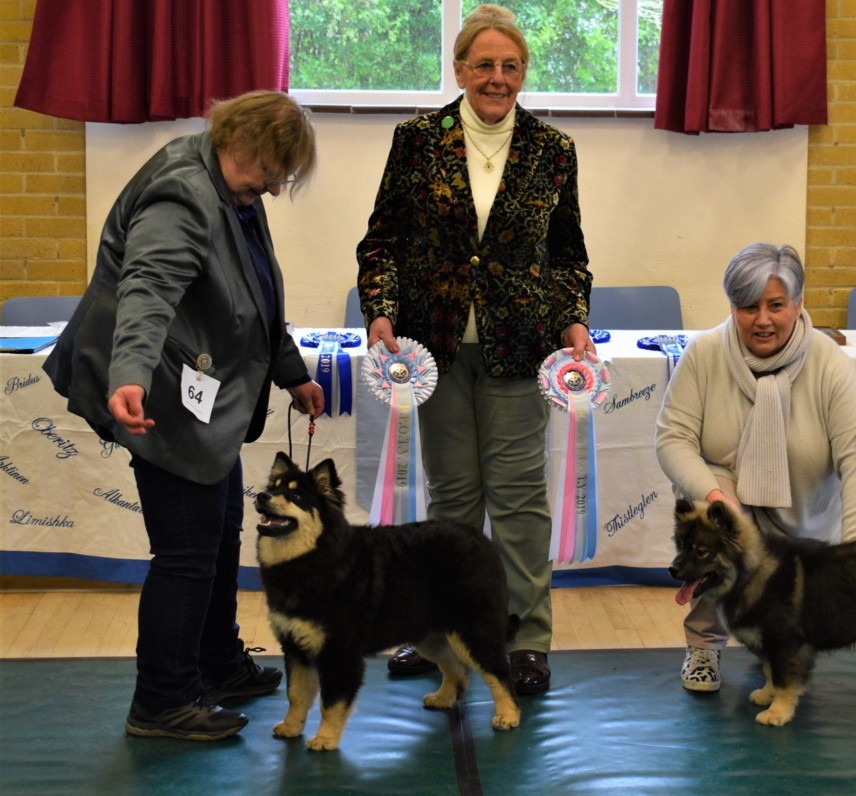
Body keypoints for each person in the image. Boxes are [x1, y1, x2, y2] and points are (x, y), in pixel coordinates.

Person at [44, 90, 324, 740]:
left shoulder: (233, 190)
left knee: (220, 524)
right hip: (155, 391)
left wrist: (292, 375)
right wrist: (130, 378)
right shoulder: (181, 193)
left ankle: (216, 662)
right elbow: (147, 291)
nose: (278, 189)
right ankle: (162, 701)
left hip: (191, 395)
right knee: (186, 552)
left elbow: (258, 295)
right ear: (245, 146)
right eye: (273, 173)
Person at [355, 4, 593, 695]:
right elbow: (382, 243)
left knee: (519, 502)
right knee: (453, 502)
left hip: (522, 349)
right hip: (435, 348)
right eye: (484, 65)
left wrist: (574, 321)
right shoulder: (416, 140)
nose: (497, 77)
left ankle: (525, 639)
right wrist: (381, 312)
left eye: (509, 66)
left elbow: (568, 255)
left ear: (523, 74)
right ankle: (438, 637)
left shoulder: (554, 151)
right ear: (460, 69)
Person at [655, 242, 856, 692]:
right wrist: (718, 499)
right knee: (714, 529)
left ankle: (778, 643)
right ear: (732, 307)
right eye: (747, 306)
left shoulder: (831, 365)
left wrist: (855, 558)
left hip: (806, 515)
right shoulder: (703, 355)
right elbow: (673, 438)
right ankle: (703, 646)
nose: (762, 319)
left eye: (776, 305)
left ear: (798, 305)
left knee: (791, 629)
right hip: (729, 497)